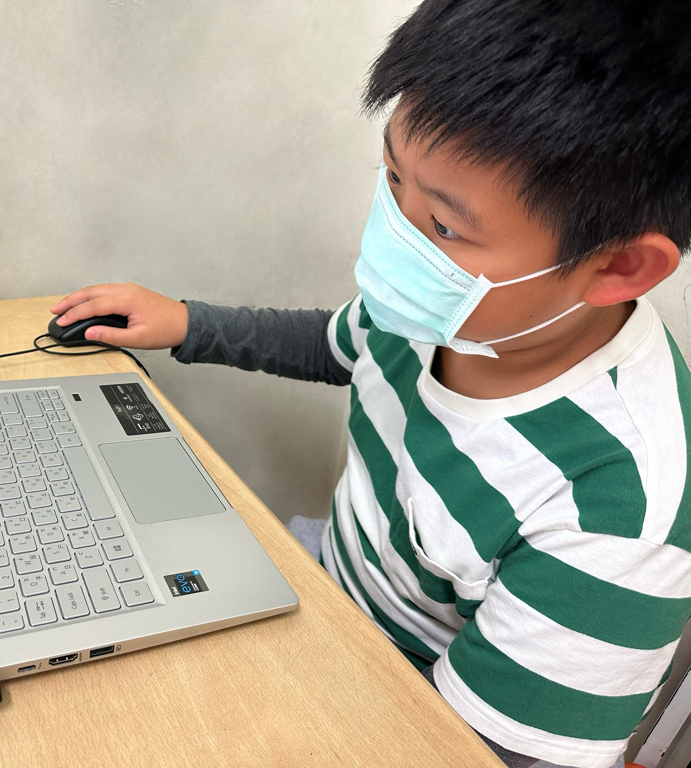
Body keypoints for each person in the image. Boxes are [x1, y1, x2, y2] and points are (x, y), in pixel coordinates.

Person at [50, 1, 691, 765]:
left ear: (618, 265)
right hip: (327, 581)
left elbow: (473, 753)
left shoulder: (620, 515)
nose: (394, 235)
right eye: (392, 177)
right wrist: (187, 324)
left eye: (445, 227)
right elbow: (342, 344)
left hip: (399, 707)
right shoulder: (444, 310)